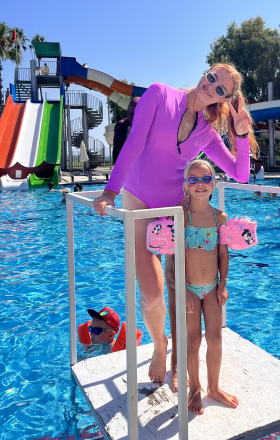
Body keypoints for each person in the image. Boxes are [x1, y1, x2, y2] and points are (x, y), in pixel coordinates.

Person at [93, 63, 258, 387]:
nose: (211, 86)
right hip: (139, 202)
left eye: (220, 89)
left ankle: (181, 361)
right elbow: (134, 143)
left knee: (184, 290)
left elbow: (240, 174)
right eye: (212, 78)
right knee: (152, 294)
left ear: (223, 99)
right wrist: (110, 191)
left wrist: (240, 135)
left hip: (174, 212)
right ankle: (160, 344)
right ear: (205, 73)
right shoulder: (159, 95)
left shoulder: (206, 132)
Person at [183, 159, 238, 414]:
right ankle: (194, 388)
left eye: (205, 179)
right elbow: (176, 256)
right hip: (190, 288)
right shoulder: (181, 215)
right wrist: (184, 290)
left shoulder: (220, 217)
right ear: (186, 185)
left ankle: (213, 387)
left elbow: (223, 254)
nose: (200, 184)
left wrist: (222, 285)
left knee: (215, 338)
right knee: (193, 339)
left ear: (214, 184)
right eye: (193, 179)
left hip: (213, 287)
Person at [112, 97, 140, 163]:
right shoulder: (121, 125)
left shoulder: (148, 125)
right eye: (133, 113)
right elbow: (117, 151)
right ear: (127, 112)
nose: (134, 116)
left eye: (138, 112)